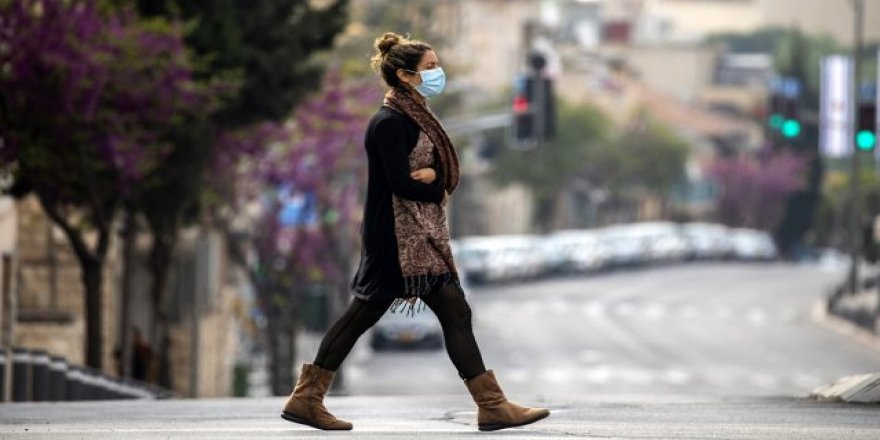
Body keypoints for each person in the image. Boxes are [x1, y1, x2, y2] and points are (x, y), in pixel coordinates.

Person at [280, 32, 550, 432]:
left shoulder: (415, 117)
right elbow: (399, 184)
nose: (438, 73)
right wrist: (435, 184)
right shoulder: (389, 123)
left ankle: (492, 405)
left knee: (455, 311)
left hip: (418, 236)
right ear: (406, 76)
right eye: (430, 67)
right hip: (395, 238)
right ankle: (306, 398)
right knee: (362, 314)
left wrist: (434, 174)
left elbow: (425, 173)